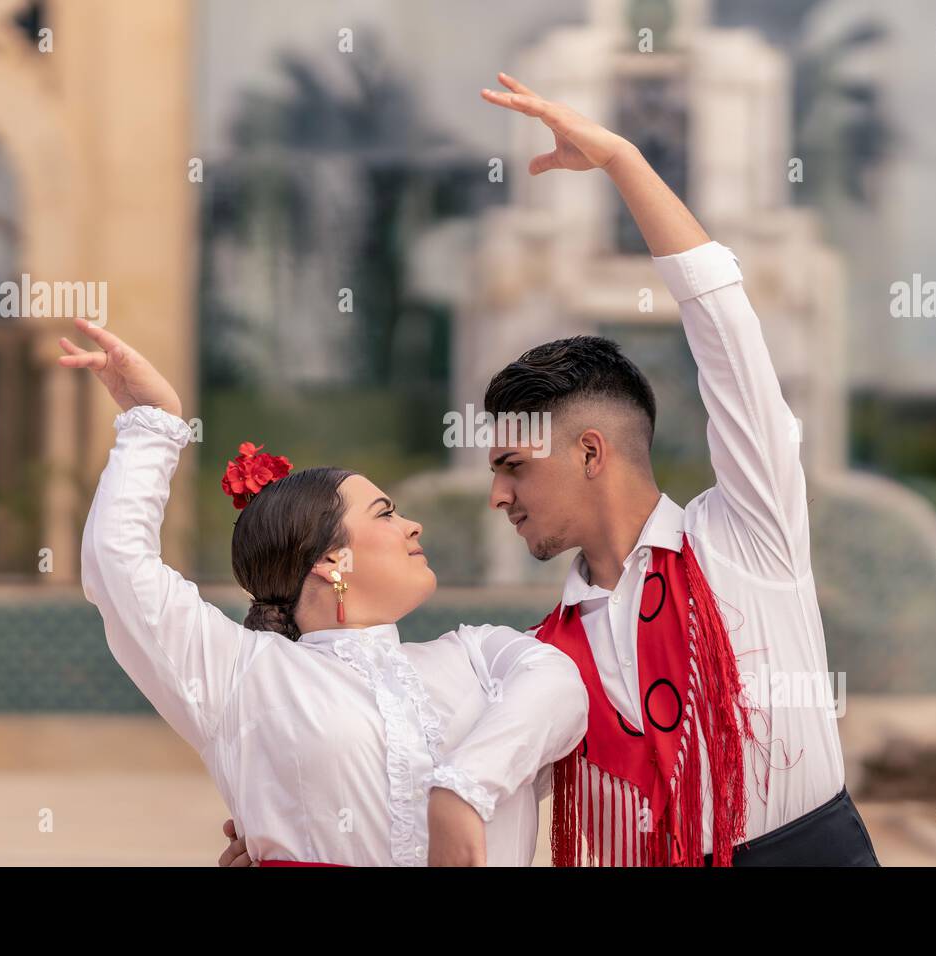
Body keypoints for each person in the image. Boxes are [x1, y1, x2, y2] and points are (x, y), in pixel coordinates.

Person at [219, 72, 879, 866]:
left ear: (590, 453)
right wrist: (284, 837)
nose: (496, 494)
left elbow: (728, 336)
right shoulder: (540, 661)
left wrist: (623, 163)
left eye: (512, 466)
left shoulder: (748, 537)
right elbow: (405, 776)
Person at [59, 315, 587, 866]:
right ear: (333, 559)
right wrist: (153, 423)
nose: (413, 526)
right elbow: (116, 560)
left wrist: (464, 789)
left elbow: (560, 689)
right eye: (386, 513)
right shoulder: (241, 675)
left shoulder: (478, 655)